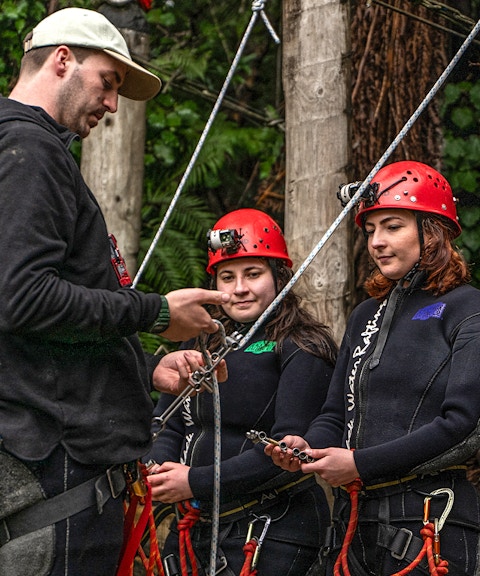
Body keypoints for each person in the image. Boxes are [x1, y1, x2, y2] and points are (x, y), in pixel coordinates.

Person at [0, 7, 231, 576]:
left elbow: (35, 321)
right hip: (53, 476)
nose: (112, 104)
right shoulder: (30, 153)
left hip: (47, 468)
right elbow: (22, 296)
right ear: (61, 60)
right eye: (108, 81)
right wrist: (155, 313)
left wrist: (144, 367)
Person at [266, 161, 480, 575]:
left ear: (432, 230)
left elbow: (465, 425)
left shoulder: (468, 308)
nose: (377, 242)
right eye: (370, 231)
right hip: (354, 527)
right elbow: (335, 413)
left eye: (393, 226)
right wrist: (307, 446)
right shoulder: (366, 314)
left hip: (434, 523)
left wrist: (358, 464)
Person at [145, 208, 338, 576]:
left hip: (272, 527)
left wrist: (192, 481)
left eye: (253, 274)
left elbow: (288, 450)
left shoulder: (302, 346)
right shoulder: (198, 343)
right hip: (196, 527)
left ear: (278, 276)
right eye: (227, 276)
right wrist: (159, 471)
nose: (239, 289)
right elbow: (167, 422)